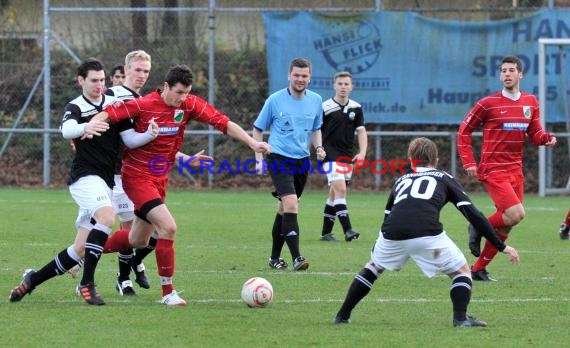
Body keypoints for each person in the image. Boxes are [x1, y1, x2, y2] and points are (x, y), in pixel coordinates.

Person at [82, 64, 270, 306]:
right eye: (179, 92)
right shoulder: (144, 104)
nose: (183, 98)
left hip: (160, 180)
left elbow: (223, 122)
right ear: (166, 86)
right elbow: (108, 113)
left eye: (187, 93)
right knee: (168, 228)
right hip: (137, 177)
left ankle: (82, 253)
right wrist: (90, 126)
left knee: (137, 240)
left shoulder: (189, 104)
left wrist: (252, 144)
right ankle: (168, 292)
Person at [8, 58, 158, 305]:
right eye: (94, 80)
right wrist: (87, 125)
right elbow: (66, 130)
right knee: (108, 218)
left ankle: (31, 280)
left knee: (79, 249)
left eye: (102, 80)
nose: (100, 85)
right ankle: (87, 283)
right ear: (81, 81)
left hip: (105, 181)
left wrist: (148, 135)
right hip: (85, 178)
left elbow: (129, 140)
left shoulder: (114, 105)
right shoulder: (76, 106)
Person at [334, 137, 520, 327]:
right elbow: (472, 214)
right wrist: (501, 246)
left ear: (409, 158)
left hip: (392, 232)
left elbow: (388, 214)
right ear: (435, 160)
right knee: (462, 271)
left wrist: (382, 241)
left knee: (373, 267)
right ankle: (461, 318)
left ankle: (342, 315)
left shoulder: (401, 180)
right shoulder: (444, 177)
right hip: (427, 233)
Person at [458, 55, 557, 281]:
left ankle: (478, 269)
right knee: (516, 213)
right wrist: (469, 162)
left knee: (510, 222)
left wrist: (547, 139)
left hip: (515, 169)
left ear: (520, 74)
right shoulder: (487, 104)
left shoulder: (530, 102)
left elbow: (535, 134)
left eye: (511, 70)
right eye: (503, 71)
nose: (507, 74)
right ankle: (476, 225)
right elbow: (464, 131)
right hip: (493, 168)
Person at [252, 57, 325, 271]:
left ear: (310, 77)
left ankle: (275, 258)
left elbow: (315, 128)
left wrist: (319, 147)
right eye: (296, 75)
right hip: (279, 158)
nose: (300, 79)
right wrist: (259, 160)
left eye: (304, 76)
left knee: (285, 208)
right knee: (292, 203)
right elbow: (257, 129)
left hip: (302, 160)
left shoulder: (316, 100)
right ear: (289, 76)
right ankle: (297, 257)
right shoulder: (275, 100)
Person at [319, 71, 367, 242]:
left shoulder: (356, 108)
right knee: (341, 189)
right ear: (334, 85)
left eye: (346, 84)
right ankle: (348, 230)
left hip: (347, 155)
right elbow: (315, 130)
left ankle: (326, 233)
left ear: (351, 87)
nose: (343, 87)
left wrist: (362, 152)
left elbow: (361, 131)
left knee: (334, 194)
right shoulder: (324, 107)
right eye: (340, 83)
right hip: (329, 154)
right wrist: (318, 148)